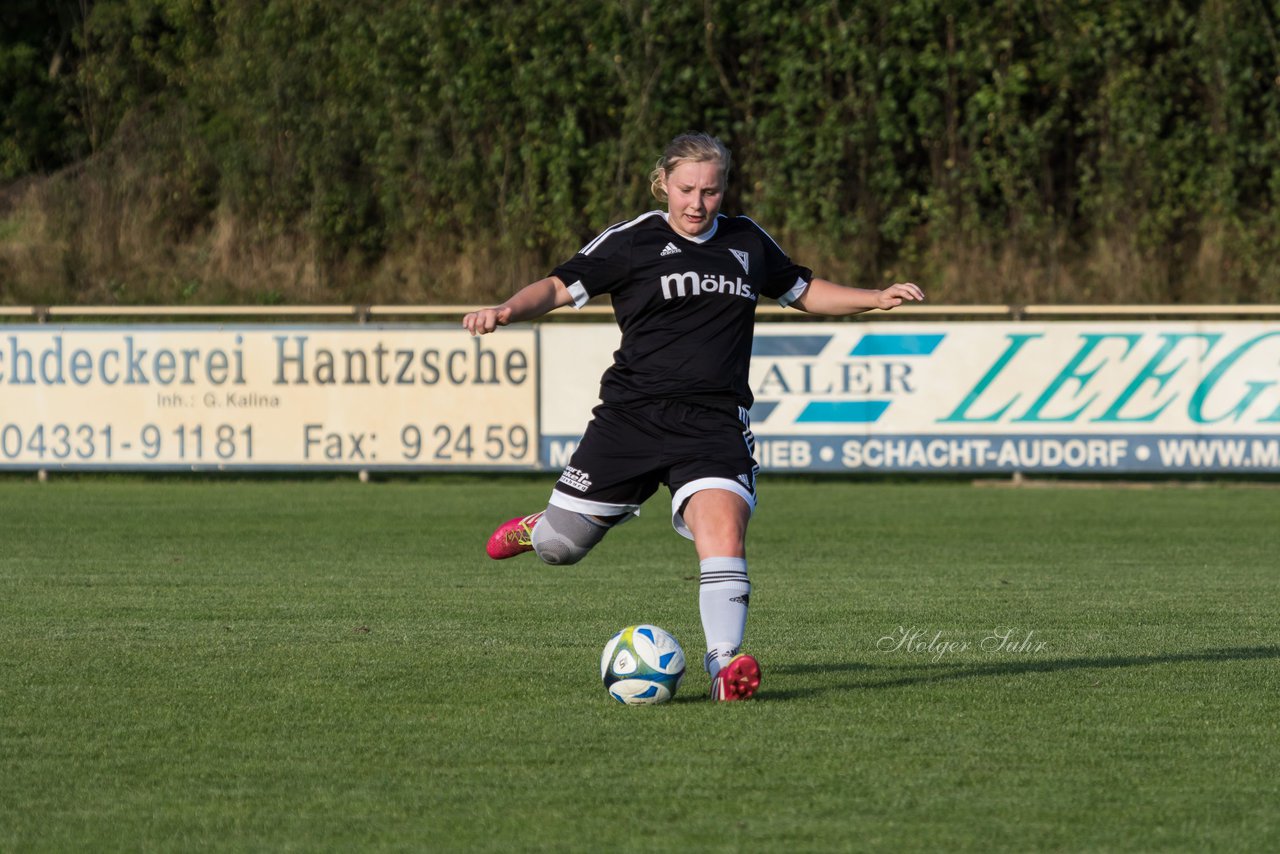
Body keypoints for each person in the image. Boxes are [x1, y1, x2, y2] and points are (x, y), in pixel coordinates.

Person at [463, 132, 923, 701]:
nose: (697, 203)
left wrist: (873, 297)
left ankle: (724, 667)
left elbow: (801, 289)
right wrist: (509, 308)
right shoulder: (633, 241)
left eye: (711, 190)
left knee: (724, 532)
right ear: (663, 183)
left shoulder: (746, 239)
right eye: (686, 189)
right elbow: (561, 285)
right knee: (563, 547)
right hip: (631, 418)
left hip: (713, 423)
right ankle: (543, 527)